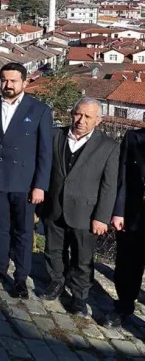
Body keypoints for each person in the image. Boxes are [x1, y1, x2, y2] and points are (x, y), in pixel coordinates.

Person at [0, 62, 52, 299]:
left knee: (23, 231)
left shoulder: (39, 110)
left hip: (24, 182)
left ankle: (20, 278)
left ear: (25, 82)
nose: (8, 85)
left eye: (13, 81)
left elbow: (45, 152)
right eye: (4, 80)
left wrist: (40, 185)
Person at [37, 98, 118, 316]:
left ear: (98, 120)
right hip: (54, 206)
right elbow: (43, 166)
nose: (81, 120)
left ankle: (80, 297)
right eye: (78, 114)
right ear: (72, 114)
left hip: (86, 212)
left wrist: (102, 217)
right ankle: (56, 282)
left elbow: (109, 185)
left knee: (82, 259)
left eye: (88, 117)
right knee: (53, 250)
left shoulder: (109, 147)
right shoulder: (55, 135)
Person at [104, 127, 145, 328]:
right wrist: (118, 211)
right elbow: (123, 176)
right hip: (134, 215)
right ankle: (123, 307)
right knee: (128, 265)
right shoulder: (133, 137)